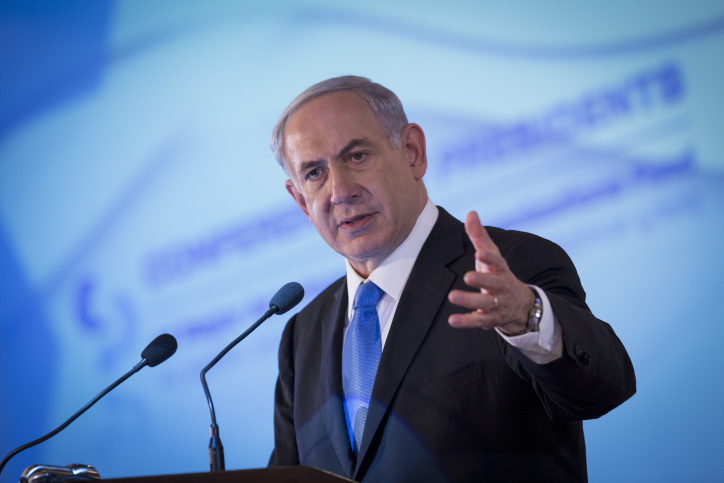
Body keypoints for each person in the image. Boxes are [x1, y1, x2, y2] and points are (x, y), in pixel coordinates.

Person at [266, 76, 635, 482]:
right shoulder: (301, 335)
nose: (340, 190)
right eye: (315, 172)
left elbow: (604, 388)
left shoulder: (508, 270)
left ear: (412, 152)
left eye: (356, 156)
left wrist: (527, 317)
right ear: (300, 200)